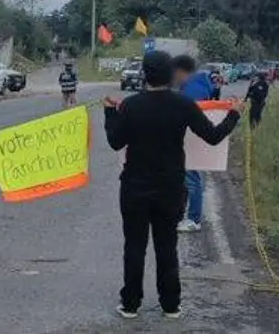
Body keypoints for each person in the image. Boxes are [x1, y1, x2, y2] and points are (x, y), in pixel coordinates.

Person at [103, 50, 241, 319]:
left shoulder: (130, 105)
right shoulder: (183, 105)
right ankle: (170, 304)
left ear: (145, 74)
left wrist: (110, 112)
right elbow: (213, 137)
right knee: (167, 246)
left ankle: (130, 303)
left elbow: (115, 142)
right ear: (170, 74)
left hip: (134, 188)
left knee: (134, 246)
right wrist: (233, 115)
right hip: (170, 188)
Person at [173, 55, 214, 233]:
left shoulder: (193, 90)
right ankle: (184, 215)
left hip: (189, 140)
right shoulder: (194, 86)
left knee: (192, 179)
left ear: (181, 71)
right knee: (188, 178)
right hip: (190, 140)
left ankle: (193, 219)